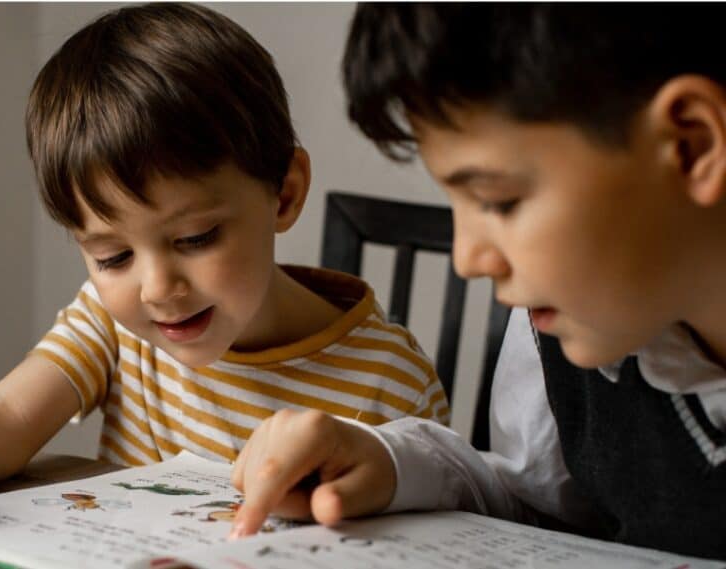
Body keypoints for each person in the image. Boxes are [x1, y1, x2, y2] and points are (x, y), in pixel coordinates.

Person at [0, 3, 448, 561]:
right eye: (112, 256)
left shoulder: (389, 378)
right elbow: (4, 418)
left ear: (284, 192)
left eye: (194, 238)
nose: (156, 288)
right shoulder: (111, 323)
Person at [230, 3, 726, 560]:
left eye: (498, 201)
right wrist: (387, 462)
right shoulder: (560, 330)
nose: (468, 259)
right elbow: (532, 502)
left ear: (692, 146)